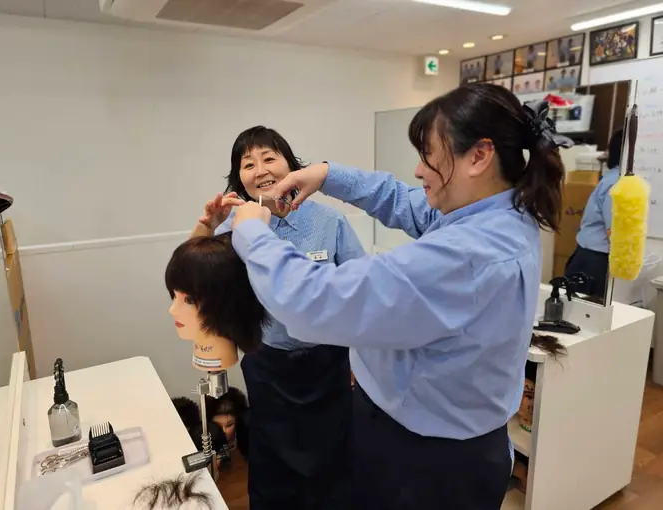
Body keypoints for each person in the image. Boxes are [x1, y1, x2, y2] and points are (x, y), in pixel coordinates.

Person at [228, 84, 572, 510]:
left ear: (479, 156)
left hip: (427, 459)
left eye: (428, 155)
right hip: (442, 437)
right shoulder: (500, 212)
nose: (418, 170)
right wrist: (327, 174)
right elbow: (404, 201)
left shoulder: (464, 256)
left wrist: (251, 232)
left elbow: (316, 299)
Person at [191, 126, 365, 510]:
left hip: (329, 362)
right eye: (248, 163)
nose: (260, 169)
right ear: (240, 179)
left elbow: (361, 293)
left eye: (269, 157)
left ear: (290, 165)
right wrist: (206, 227)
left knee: (334, 460)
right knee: (274, 462)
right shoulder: (232, 228)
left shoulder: (329, 222)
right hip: (267, 363)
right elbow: (190, 281)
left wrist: (360, 358)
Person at [565, 129, 623, 297]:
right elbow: (613, 230)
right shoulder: (619, 182)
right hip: (595, 261)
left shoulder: (612, 177)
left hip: (588, 256)